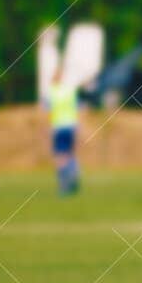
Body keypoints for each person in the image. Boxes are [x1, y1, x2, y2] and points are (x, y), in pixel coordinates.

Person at [44, 67, 81, 195]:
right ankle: (74, 176)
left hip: (58, 126)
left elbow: (48, 110)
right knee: (70, 153)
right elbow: (76, 108)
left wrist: (48, 128)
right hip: (71, 125)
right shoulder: (69, 91)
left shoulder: (52, 92)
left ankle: (64, 185)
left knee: (60, 156)